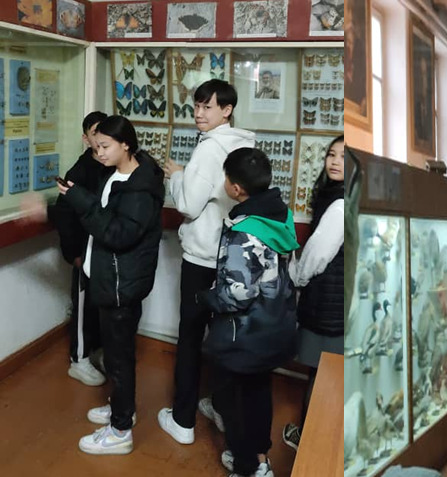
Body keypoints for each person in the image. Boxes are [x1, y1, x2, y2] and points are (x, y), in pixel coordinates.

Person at [160, 79, 257, 444]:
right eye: (197, 106)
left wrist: (177, 176)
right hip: (231, 256)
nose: (199, 114)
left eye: (207, 106)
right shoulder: (244, 143)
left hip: (202, 257)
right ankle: (220, 407)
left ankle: (182, 420)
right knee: (224, 337)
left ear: (226, 110)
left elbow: (188, 204)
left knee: (190, 336)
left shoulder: (209, 148)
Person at [63, 115, 164, 455]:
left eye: (105, 146)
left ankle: (120, 431)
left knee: (119, 360)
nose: (100, 153)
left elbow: (118, 234)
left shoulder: (140, 188)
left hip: (122, 285)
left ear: (126, 145)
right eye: (96, 147)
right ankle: (123, 409)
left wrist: (80, 201)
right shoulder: (117, 174)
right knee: (118, 356)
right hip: (112, 281)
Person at [202, 147, 300, 477]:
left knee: (233, 401)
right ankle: (261, 459)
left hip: (245, 332)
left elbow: (238, 294)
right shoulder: (280, 215)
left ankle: (246, 467)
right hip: (275, 324)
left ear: (235, 188)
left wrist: (207, 298)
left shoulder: (245, 228)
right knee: (258, 391)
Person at [282, 135, 345, 450]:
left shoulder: (339, 203)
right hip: (335, 302)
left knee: (322, 378)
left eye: (344, 157)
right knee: (328, 377)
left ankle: (311, 446)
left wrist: (297, 277)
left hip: (327, 305)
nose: (335, 161)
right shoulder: (337, 197)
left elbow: (317, 254)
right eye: (331, 154)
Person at [48, 111, 110, 386]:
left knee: (103, 306)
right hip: (84, 252)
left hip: (106, 252)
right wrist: (73, 253)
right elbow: (65, 216)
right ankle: (79, 359)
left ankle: (98, 351)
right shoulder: (79, 172)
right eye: (96, 133)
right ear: (86, 139)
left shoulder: (113, 167)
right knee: (83, 305)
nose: (101, 139)